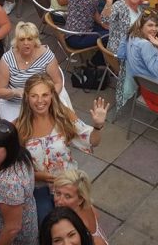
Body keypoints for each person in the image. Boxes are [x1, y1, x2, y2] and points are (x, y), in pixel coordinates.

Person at [13, 74, 107, 225]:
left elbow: (92, 141)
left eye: (45, 95)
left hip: (68, 183)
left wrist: (98, 126)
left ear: (51, 95)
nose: (40, 101)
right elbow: (14, 168)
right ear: (27, 98)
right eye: (34, 96)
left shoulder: (64, 116)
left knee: (85, 222)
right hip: (39, 187)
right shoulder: (18, 127)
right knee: (47, 223)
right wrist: (37, 176)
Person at [0, 21, 65, 121]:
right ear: (16, 41)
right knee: (16, 131)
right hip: (15, 103)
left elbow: (58, 82)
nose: (26, 43)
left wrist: (49, 99)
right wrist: (15, 92)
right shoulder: (7, 59)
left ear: (35, 41)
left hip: (42, 101)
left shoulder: (46, 56)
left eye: (30, 39)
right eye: (22, 39)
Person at [52, 170, 107, 245]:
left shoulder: (74, 226)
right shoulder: (89, 206)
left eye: (68, 196)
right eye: (58, 193)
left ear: (80, 199)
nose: (60, 201)